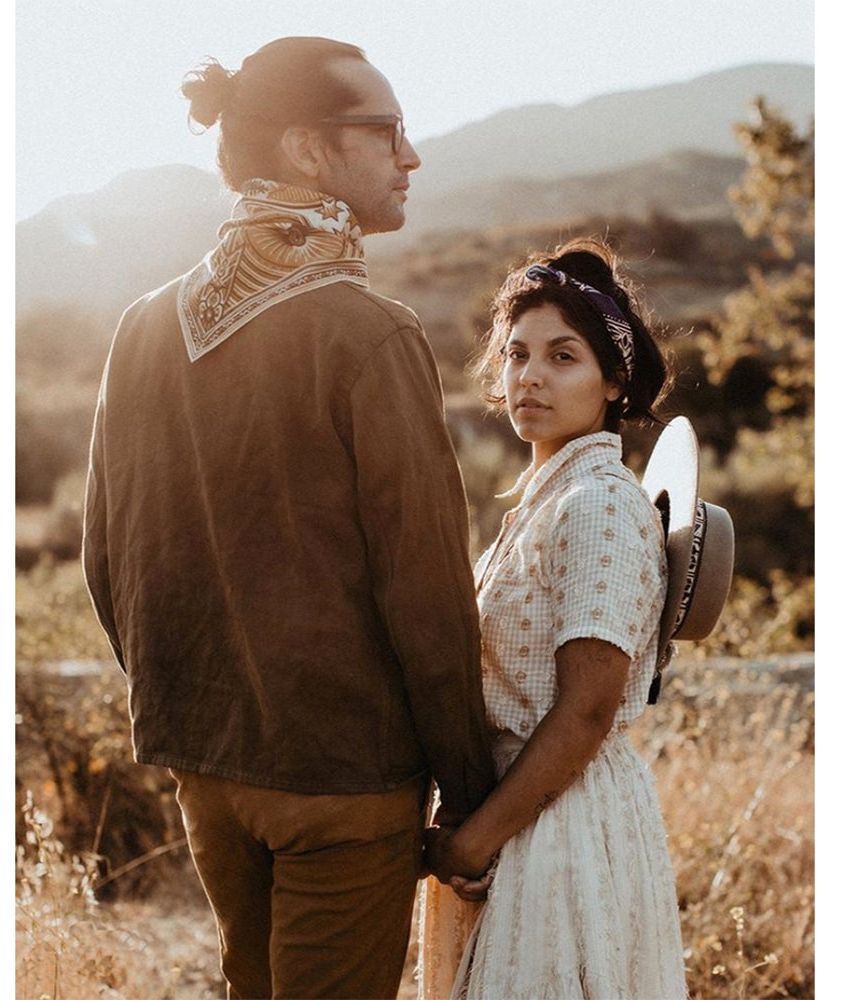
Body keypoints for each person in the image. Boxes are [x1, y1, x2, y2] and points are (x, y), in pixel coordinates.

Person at [82, 37, 495, 1000]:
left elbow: (106, 558)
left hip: (206, 768)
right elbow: (426, 594)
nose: (410, 156)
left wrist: (191, 713)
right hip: (344, 777)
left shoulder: (143, 327)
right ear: (307, 149)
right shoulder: (370, 333)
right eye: (386, 130)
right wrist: (472, 793)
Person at [419, 237, 688, 999]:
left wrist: (472, 842)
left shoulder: (597, 503)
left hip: (562, 826)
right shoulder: (547, 502)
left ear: (614, 382)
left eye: (562, 357)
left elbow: (586, 709)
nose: (529, 376)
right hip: (522, 812)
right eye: (517, 354)